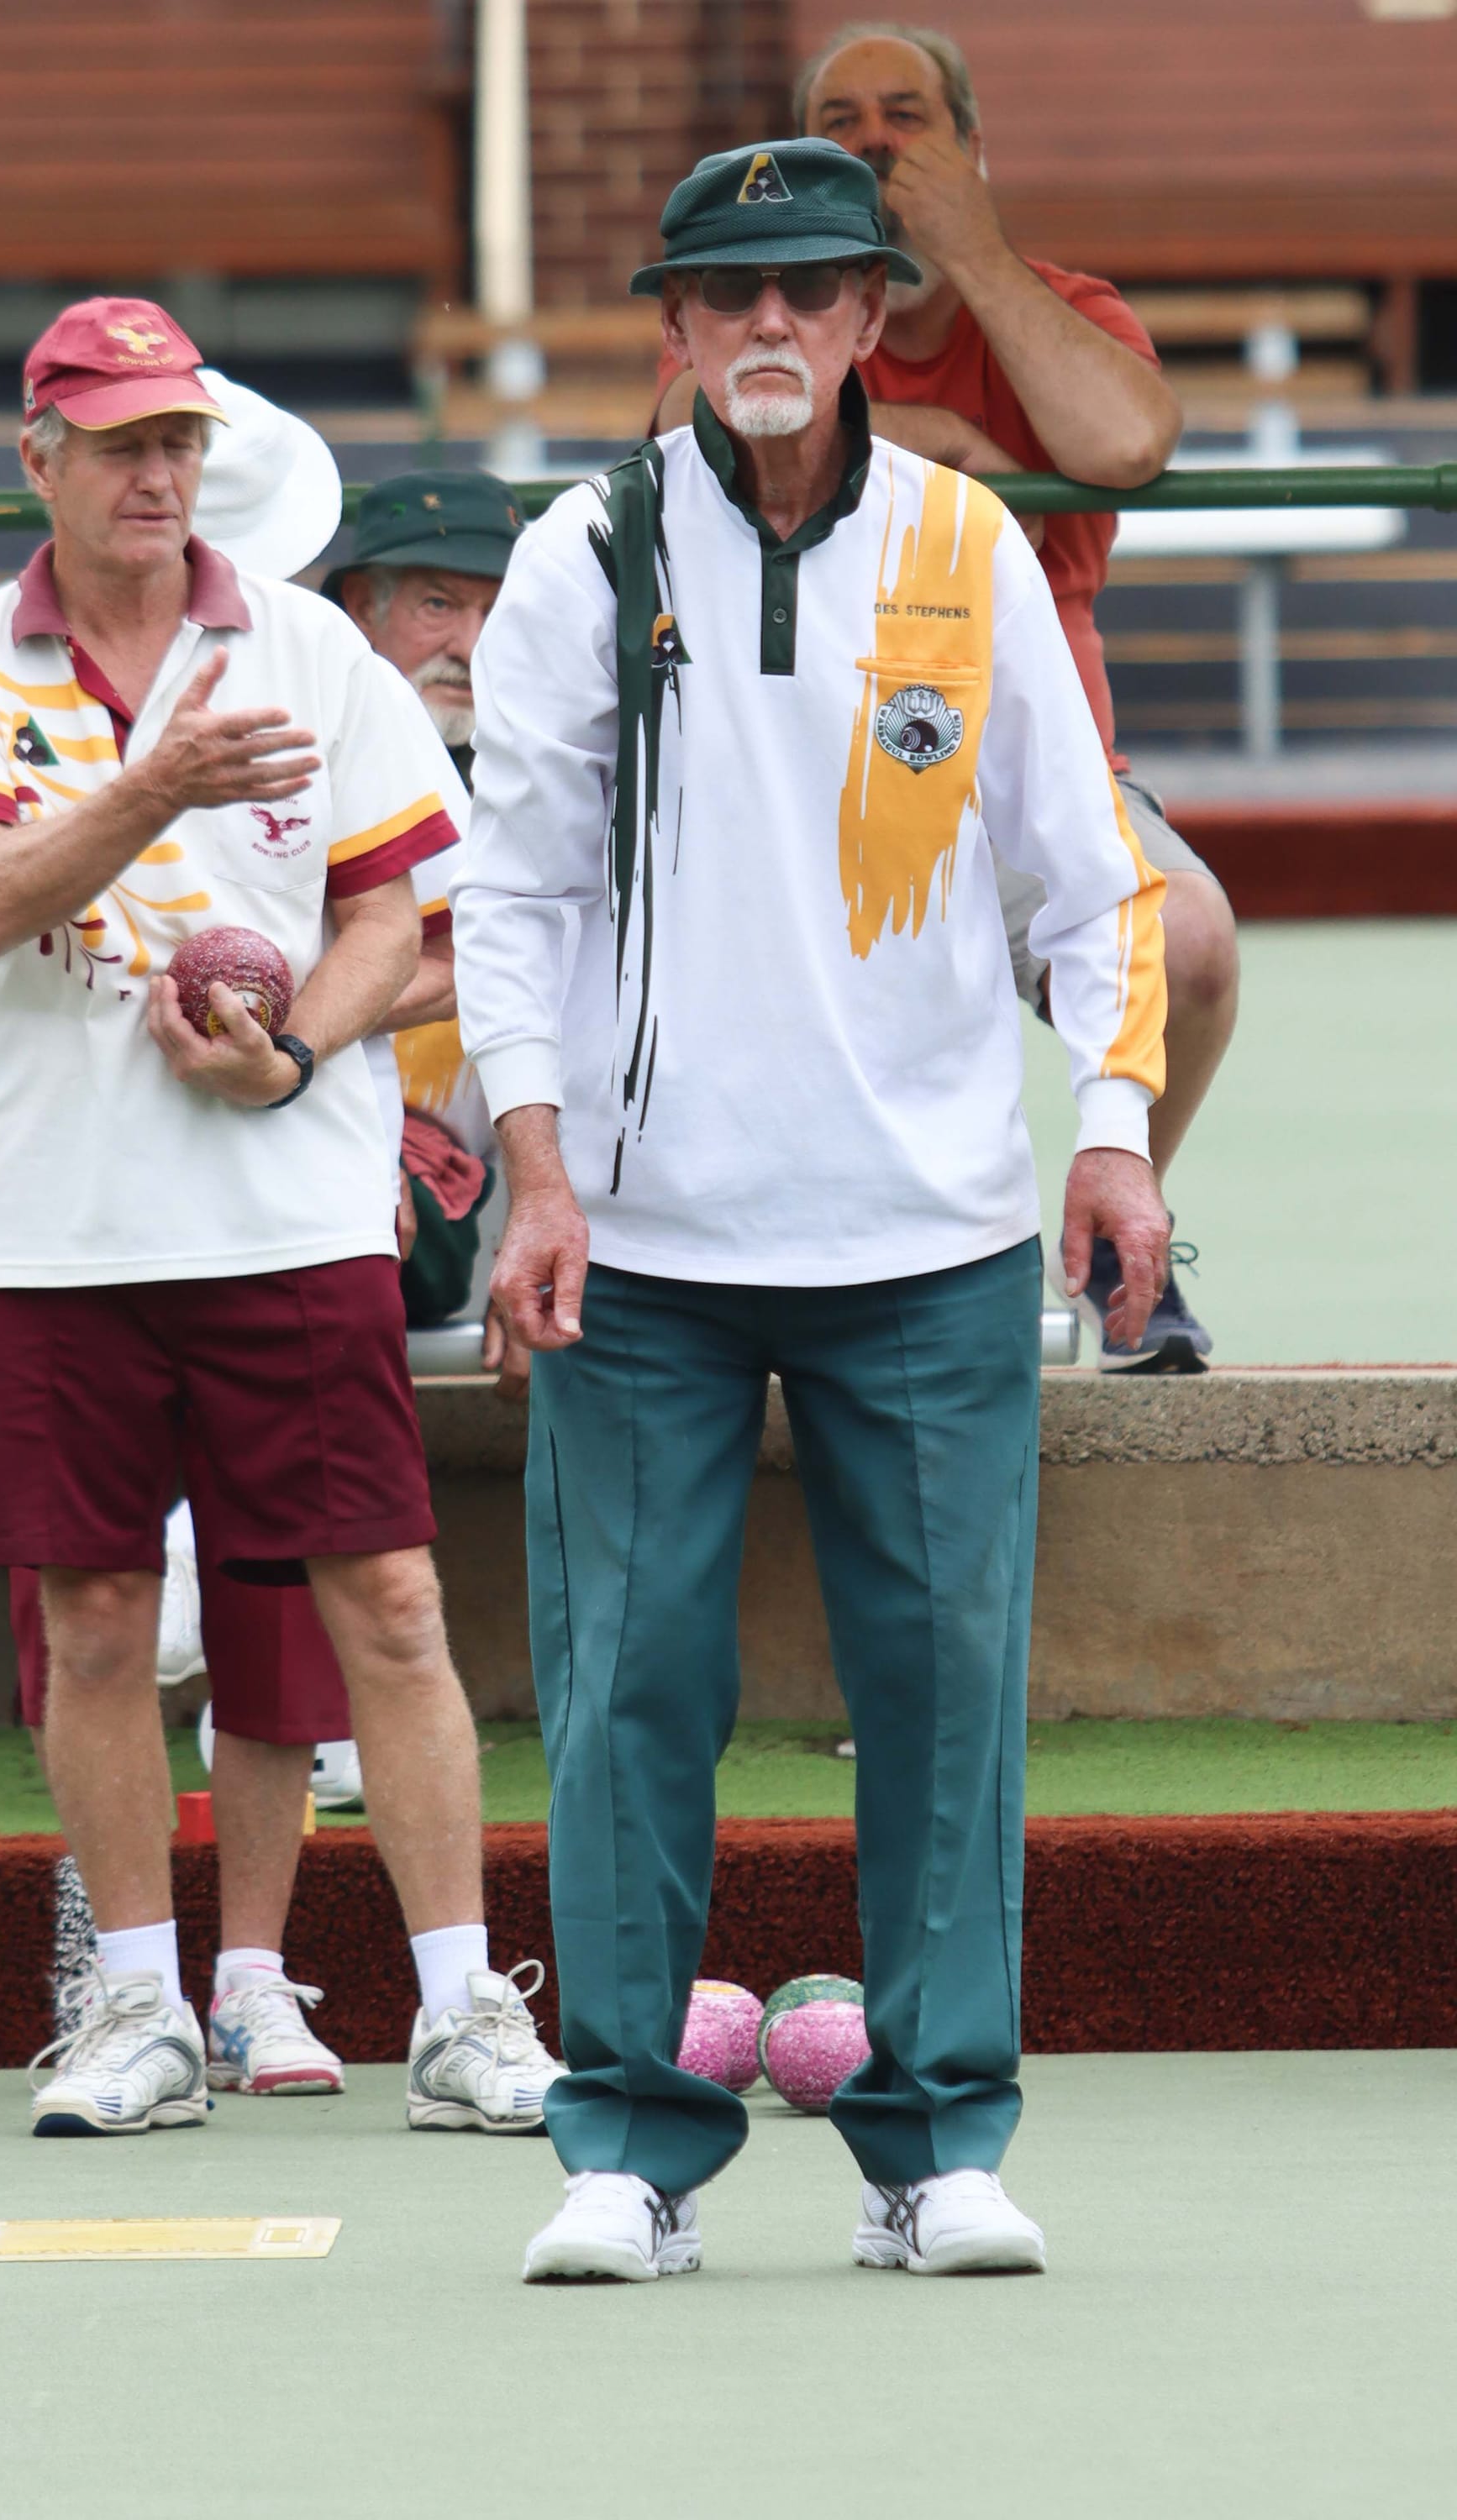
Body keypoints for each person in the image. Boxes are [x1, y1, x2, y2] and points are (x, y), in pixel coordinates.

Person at [454, 139, 1171, 2280]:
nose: (767, 324)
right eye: (726, 294)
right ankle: (624, 2151)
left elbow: (1086, 878)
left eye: (809, 291)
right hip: (642, 1243)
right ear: (674, 330)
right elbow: (512, 891)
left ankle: (931, 2147)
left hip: (928, 1233)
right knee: (625, 1690)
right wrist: (536, 1164)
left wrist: (1113, 1124)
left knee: (943, 1695)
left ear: (869, 318)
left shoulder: (967, 540)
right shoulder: (583, 550)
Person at [0, 297, 560, 2137]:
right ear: (40, 460)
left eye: (180, 440)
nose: (159, 474)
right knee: (98, 1620)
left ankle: (462, 2012)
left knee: (392, 1604)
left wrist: (295, 1059)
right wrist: (155, 788)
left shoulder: (314, 650)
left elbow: (397, 916)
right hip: (58, 1227)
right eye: (122, 443)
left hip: (292, 1213)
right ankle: (140, 2008)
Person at [655, 26, 1234, 1373]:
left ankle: (1119, 1226)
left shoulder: (1062, 306)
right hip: (790, 783)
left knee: (1190, 941)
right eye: (841, 121)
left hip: (1028, 777)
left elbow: (1123, 438)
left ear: (973, 146)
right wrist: (947, 451)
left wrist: (967, 248)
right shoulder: (761, 310)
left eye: (907, 118)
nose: (874, 145)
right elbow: (685, 416)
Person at [325, 468, 532, 1393]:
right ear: (360, 610)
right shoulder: (281, 752)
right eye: (439, 605)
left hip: (437, 1204)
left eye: (500, 611)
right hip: (299, 1139)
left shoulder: (575, 789)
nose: (470, 646)